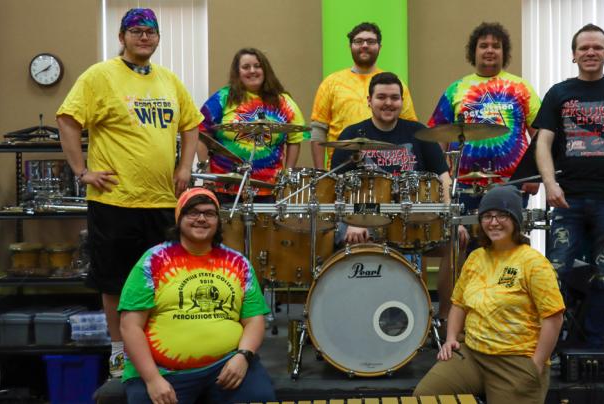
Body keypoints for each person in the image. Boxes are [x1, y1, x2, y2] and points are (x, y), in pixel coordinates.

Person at [56, 8, 202, 378]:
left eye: (151, 32)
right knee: (114, 281)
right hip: (115, 201)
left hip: (162, 201)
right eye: (136, 31)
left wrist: (185, 167)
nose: (144, 37)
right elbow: (67, 119)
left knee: (161, 282)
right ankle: (119, 353)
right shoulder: (100, 76)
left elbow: (192, 124)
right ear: (121, 37)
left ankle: (156, 349)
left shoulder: (168, 80)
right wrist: (81, 171)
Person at [534, 23, 604, 348]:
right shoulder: (559, 92)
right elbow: (543, 143)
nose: (590, 52)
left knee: (603, 274)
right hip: (567, 199)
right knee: (556, 272)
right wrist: (549, 184)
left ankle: (594, 347)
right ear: (573, 55)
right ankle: (554, 347)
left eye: (597, 47)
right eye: (584, 48)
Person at [119, 188, 275, 404]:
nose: (201, 218)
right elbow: (130, 326)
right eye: (193, 212)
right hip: (164, 372)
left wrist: (244, 356)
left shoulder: (238, 263)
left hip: (227, 364)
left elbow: (254, 319)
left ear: (218, 222)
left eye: (209, 213)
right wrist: (153, 379)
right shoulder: (153, 260)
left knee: (259, 397)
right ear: (179, 218)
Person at [428, 22, 541, 319]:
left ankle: (503, 315)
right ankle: (446, 320)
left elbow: (540, 136)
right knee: (456, 251)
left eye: (496, 45)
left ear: (504, 52)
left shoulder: (521, 87)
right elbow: (435, 138)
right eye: (483, 45)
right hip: (463, 185)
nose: (490, 50)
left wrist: (535, 176)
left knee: (507, 251)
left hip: (511, 186)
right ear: (473, 51)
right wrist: (443, 182)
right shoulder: (456, 89)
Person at [414, 186, 565, 403]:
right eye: (487, 216)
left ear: (515, 220)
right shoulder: (477, 257)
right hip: (473, 354)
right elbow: (458, 303)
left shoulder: (534, 263)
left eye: (502, 215)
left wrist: (537, 364)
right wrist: (450, 339)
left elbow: (553, 317)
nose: (493, 222)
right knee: (425, 397)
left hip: (515, 360)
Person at [330, 72, 450, 244]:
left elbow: (443, 177)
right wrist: (353, 221)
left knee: (453, 238)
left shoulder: (420, 133)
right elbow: (337, 187)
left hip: (412, 218)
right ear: (369, 100)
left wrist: (449, 218)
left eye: (394, 98)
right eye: (381, 97)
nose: (388, 103)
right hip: (364, 216)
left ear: (402, 101)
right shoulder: (351, 135)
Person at [198, 47, 307, 204]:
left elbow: (295, 139)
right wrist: (207, 176)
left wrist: (287, 176)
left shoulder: (284, 102)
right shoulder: (222, 98)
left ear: (265, 69)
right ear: (238, 72)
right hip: (224, 186)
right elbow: (201, 134)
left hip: (268, 188)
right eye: (246, 67)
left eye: (257, 66)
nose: (252, 71)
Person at [311, 22, 418, 170]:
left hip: (387, 170)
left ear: (380, 47)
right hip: (342, 169)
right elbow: (318, 130)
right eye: (358, 41)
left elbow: (409, 127)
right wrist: (320, 173)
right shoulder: (330, 83)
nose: (365, 45)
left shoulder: (394, 84)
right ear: (350, 46)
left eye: (371, 41)